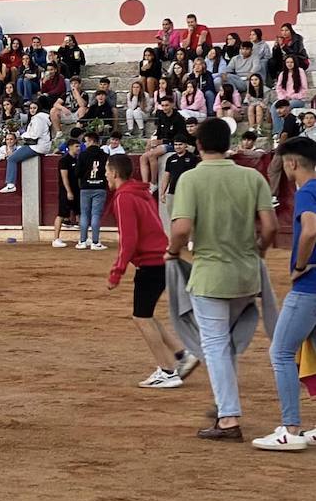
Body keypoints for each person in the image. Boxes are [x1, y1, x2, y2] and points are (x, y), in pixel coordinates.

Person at [168, 118, 278, 441]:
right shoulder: (251, 176)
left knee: (214, 344)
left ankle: (228, 418)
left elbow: (182, 229)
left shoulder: (191, 179)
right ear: (228, 143)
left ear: (198, 145)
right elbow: (270, 227)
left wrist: (172, 253)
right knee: (224, 343)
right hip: (247, 276)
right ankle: (222, 403)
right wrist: (257, 253)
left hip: (211, 276)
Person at [105, 155, 198, 388]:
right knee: (145, 314)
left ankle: (167, 371)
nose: (105, 175)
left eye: (107, 171)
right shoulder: (142, 192)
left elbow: (129, 239)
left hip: (150, 263)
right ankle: (181, 355)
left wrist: (117, 271)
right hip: (162, 258)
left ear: (115, 173)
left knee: (141, 317)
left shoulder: (124, 197)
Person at [250, 138, 316, 449]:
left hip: (309, 287)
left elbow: (311, 229)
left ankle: (291, 428)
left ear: (292, 163)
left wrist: (301, 264)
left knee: (280, 353)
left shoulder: (307, 192)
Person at [0, 97, 52, 193]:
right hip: (40, 146)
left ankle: (10, 184)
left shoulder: (38, 119)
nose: (32, 110)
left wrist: (23, 135)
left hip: (37, 146)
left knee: (12, 158)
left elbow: (34, 135)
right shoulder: (40, 118)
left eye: (34, 108)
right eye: (31, 108)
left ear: (38, 108)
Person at [75, 130, 110, 250]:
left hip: (85, 187)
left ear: (91, 140)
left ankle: (82, 241)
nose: (85, 144)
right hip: (100, 187)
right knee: (96, 214)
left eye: (86, 141)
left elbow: (77, 172)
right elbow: (108, 172)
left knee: (84, 214)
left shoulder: (83, 155)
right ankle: (95, 242)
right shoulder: (105, 156)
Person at [50, 137, 80, 248]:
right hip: (66, 191)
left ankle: (83, 238)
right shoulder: (64, 160)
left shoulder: (76, 159)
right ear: (70, 147)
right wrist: (69, 191)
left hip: (76, 190)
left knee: (79, 213)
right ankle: (56, 239)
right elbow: (64, 177)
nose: (78, 148)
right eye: (76, 146)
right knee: (61, 214)